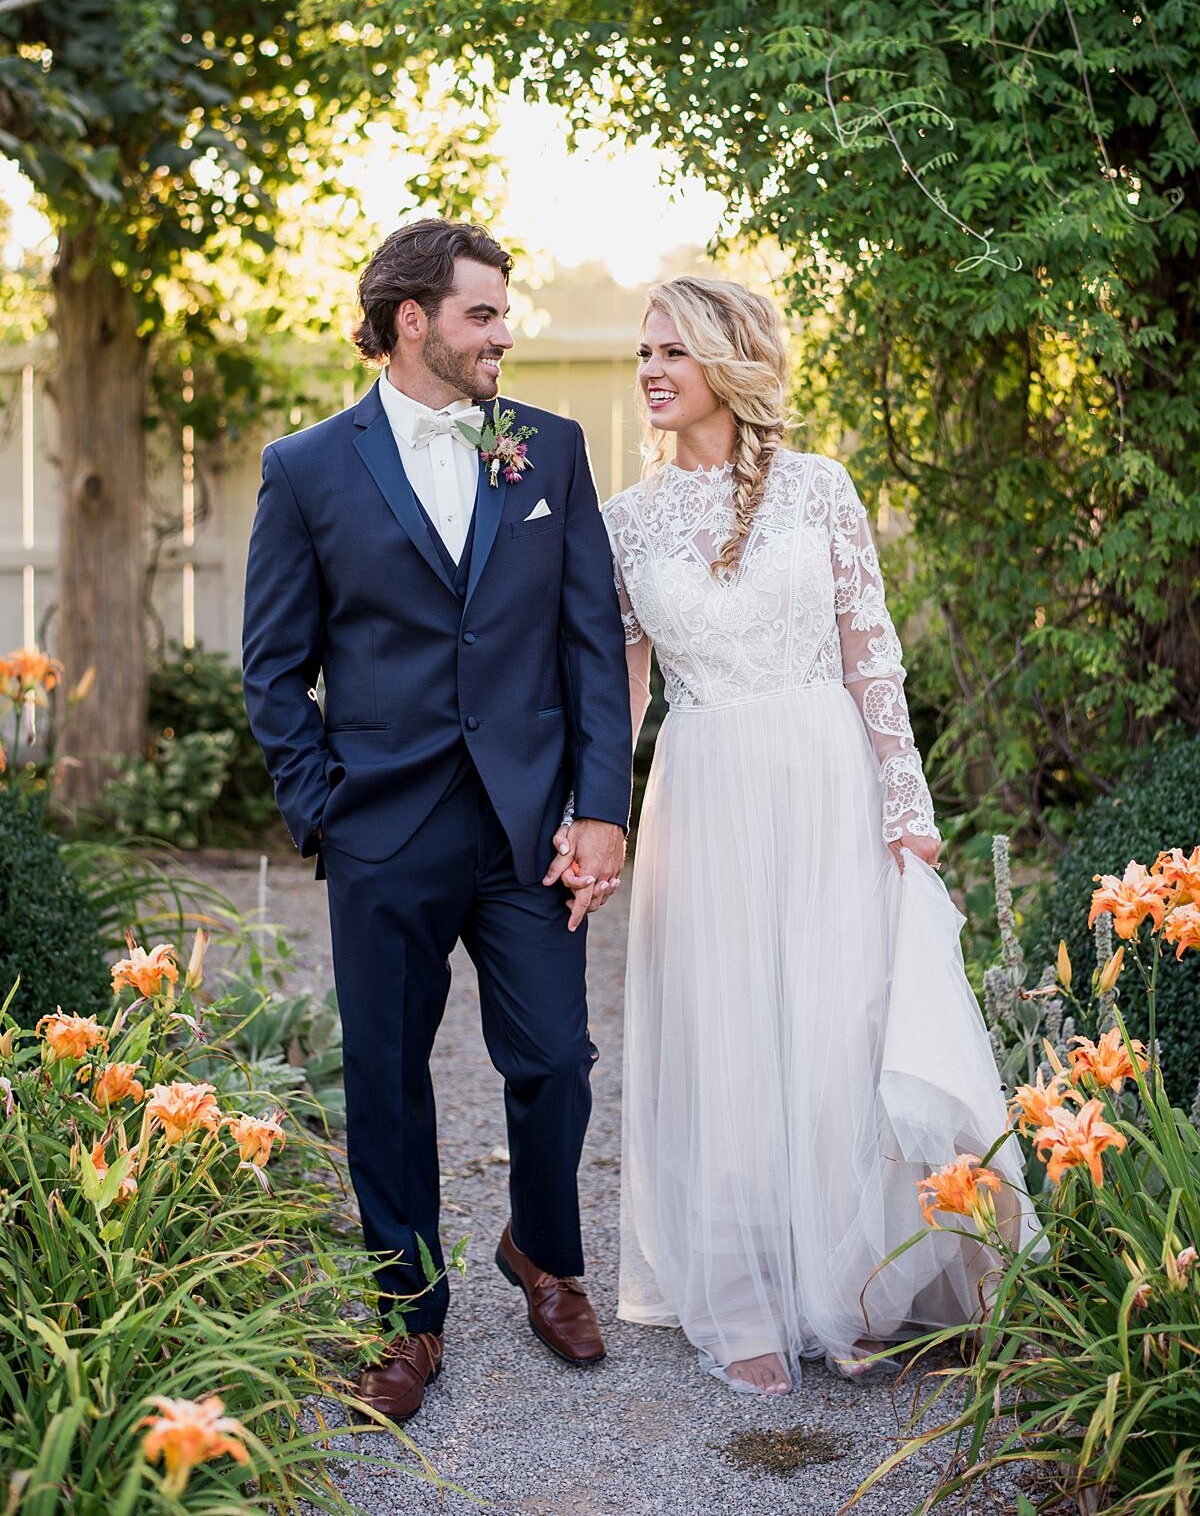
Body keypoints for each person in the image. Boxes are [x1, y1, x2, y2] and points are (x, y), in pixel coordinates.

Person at [581, 274, 1028, 1396]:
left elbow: (873, 655)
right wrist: (600, 824)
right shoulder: (625, 522)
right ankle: (738, 1296)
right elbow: (621, 695)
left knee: (835, 1029)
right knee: (725, 1032)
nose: (650, 371)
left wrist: (907, 811)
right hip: (709, 788)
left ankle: (846, 1287)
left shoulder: (822, 490)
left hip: (827, 778)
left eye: (671, 352)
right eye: (644, 353)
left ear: (728, 361)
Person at [243, 218, 632, 1420]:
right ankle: (407, 1316)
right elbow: (273, 668)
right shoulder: (307, 468)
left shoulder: (548, 453)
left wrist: (602, 811)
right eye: (482, 314)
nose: (502, 334)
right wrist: (326, 812)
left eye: (502, 314)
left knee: (556, 1058)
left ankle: (544, 1251)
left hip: (524, 832)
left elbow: (591, 649)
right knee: (388, 1080)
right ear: (412, 320)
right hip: (384, 830)